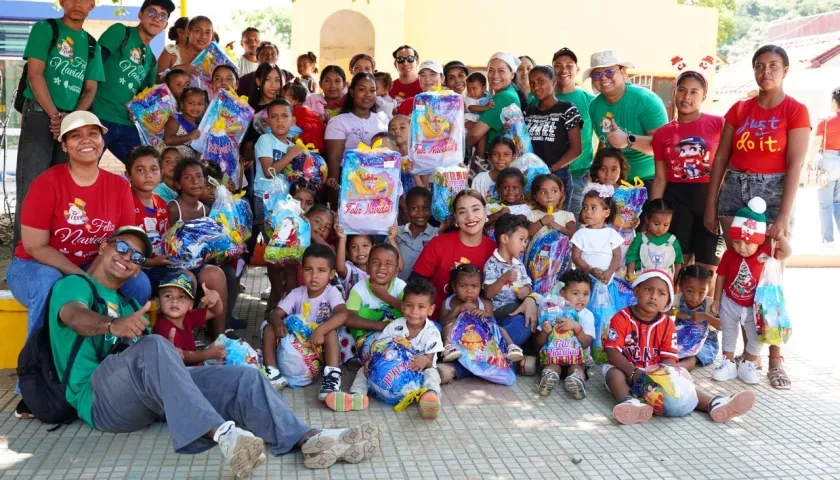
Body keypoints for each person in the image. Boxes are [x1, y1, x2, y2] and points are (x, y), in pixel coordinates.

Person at [42, 226, 382, 474]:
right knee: (154, 345)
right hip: (100, 401)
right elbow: (75, 317)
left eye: (136, 257)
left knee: (242, 378)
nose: (127, 259)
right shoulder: (75, 285)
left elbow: (162, 354)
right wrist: (112, 326)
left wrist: (209, 313)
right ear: (103, 247)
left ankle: (308, 439)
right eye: (121, 247)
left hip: (146, 399)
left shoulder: (130, 301)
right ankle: (225, 435)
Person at [7, 113, 149, 414]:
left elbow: (124, 243)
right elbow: (34, 246)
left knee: (139, 283)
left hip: (89, 267)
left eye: (93, 133)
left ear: (102, 140)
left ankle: (123, 359)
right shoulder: (48, 183)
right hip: (32, 267)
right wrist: (84, 280)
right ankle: (36, 382)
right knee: (50, 286)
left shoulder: (118, 187)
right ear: (65, 144)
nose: (86, 140)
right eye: (76, 135)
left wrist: (110, 273)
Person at [703, 46, 809, 390]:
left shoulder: (795, 110)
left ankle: (773, 357)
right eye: (760, 66)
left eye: (773, 66)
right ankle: (732, 355)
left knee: (770, 276)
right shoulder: (740, 108)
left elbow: (795, 164)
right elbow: (720, 158)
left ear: (785, 70)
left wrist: (784, 215)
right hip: (735, 186)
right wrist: (710, 202)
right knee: (736, 265)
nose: (766, 72)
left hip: (774, 190)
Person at [603, 270, 756, 425]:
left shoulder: (667, 323)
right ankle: (628, 403)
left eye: (661, 293)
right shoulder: (621, 317)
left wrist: (664, 378)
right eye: (648, 290)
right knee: (613, 374)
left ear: (668, 299)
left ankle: (714, 403)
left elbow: (668, 358)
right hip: (626, 369)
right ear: (636, 291)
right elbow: (612, 352)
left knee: (679, 387)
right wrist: (634, 372)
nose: (654, 296)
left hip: (654, 373)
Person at [13, 0, 105, 247]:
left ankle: (54, 251)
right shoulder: (46, 28)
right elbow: (35, 74)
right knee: (30, 188)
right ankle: (23, 256)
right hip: (39, 113)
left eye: (84, 0)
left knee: (64, 190)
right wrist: (56, 117)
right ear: (62, 2)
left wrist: (71, 120)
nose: (77, 4)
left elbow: (90, 88)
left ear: (92, 5)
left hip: (69, 123)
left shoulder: (91, 44)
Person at [411, 190, 538, 342]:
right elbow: (414, 285)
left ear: (486, 213)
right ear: (456, 219)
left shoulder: (497, 250)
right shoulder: (438, 244)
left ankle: (470, 357)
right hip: (443, 321)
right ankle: (487, 357)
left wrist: (530, 298)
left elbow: (518, 282)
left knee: (522, 323)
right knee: (431, 333)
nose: (470, 217)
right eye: (462, 212)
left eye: (476, 209)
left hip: (484, 322)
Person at [650, 70, 724, 274]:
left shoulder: (719, 124)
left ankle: (706, 307)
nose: (686, 97)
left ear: (704, 96)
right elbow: (660, 178)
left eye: (694, 92)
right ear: (674, 92)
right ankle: (676, 305)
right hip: (677, 199)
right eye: (682, 90)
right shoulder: (662, 133)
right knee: (679, 263)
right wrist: (652, 213)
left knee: (708, 267)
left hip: (710, 196)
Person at [711, 198, 791, 384]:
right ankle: (727, 363)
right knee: (729, 333)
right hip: (729, 302)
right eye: (737, 242)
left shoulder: (764, 254)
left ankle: (748, 364)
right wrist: (716, 300)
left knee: (756, 336)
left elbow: (787, 252)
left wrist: (779, 236)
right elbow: (721, 276)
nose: (742, 247)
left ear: (758, 241)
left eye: (748, 243)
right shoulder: (729, 254)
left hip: (754, 307)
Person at [339, 278, 443, 418]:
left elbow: (430, 362)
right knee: (363, 370)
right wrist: (371, 361)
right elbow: (380, 348)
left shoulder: (432, 332)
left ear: (431, 310)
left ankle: (430, 396)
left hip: (415, 374)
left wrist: (424, 360)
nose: (414, 311)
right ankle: (357, 395)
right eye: (409, 305)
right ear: (402, 306)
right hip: (387, 374)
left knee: (432, 373)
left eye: (421, 307)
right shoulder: (395, 326)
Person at [263, 244, 353, 399]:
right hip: (298, 345)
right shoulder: (297, 293)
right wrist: (279, 324)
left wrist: (321, 330)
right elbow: (273, 314)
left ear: (331, 274)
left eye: (321, 270)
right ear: (301, 271)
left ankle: (331, 378)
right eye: (308, 270)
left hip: (321, 346)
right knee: (268, 328)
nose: (314, 276)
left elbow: (343, 315)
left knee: (331, 332)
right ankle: (273, 372)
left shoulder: (331, 292)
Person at [94, 0, 174, 164]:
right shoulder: (120, 32)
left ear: (165, 25)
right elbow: (94, 65)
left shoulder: (151, 59)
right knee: (85, 166)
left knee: (146, 167)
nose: (156, 18)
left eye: (162, 16)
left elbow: (141, 98)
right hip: (99, 116)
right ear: (140, 15)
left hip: (126, 124)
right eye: (151, 12)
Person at [585, 51, 668, 185]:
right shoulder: (594, 106)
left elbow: (663, 147)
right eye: (597, 74)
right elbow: (605, 141)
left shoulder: (646, 100)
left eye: (609, 72)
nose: (604, 78)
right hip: (614, 183)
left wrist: (627, 140)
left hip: (649, 180)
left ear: (623, 72)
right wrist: (595, 171)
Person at [438, 263, 522, 363]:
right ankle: (448, 347)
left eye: (474, 286)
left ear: (480, 286)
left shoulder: (485, 303)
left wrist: (484, 314)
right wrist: (457, 310)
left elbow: (493, 322)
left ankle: (511, 346)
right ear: (454, 286)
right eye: (462, 286)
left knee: (500, 328)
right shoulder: (448, 302)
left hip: (481, 340)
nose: (469, 291)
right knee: (449, 326)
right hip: (460, 339)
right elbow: (442, 322)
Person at [533, 269, 594, 398]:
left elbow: (586, 343)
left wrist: (577, 328)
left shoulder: (587, 316)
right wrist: (545, 332)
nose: (581, 298)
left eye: (586, 294)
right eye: (575, 293)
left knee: (577, 368)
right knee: (552, 366)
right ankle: (548, 378)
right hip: (554, 357)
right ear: (562, 293)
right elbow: (538, 344)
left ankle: (576, 381)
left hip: (577, 359)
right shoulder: (551, 312)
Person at [324, 72, 389, 189]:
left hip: (380, 182)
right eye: (362, 89)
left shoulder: (383, 118)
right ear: (352, 92)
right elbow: (334, 159)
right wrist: (333, 194)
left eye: (372, 90)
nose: (368, 94)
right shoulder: (338, 121)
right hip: (350, 183)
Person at [466, 52, 527, 174]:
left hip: (494, 163)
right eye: (491, 70)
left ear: (512, 74)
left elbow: (475, 134)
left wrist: (465, 148)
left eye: (501, 71)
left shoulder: (503, 97)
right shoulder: (508, 93)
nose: (494, 75)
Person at [126, 146, 178, 289]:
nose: (148, 175)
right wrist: (151, 262)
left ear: (161, 173)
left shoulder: (161, 203)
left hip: (161, 264)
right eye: (140, 170)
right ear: (128, 175)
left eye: (154, 170)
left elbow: (165, 238)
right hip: (135, 268)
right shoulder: (125, 202)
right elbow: (121, 247)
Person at [524, 66, 583, 191]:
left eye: (541, 81)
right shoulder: (528, 112)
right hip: (532, 177)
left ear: (554, 81)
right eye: (532, 83)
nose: (536, 87)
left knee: (557, 212)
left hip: (558, 177)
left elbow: (576, 149)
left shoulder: (567, 109)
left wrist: (550, 169)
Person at [552, 48, 596, 213]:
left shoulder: (590, 101)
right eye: (558, 65)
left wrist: (596, 168)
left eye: (569, 65)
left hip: (578, 176)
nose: (563, 70)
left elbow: (604, 137)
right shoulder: (537, 98)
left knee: (573, 227)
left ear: (577, 70)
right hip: (546, 176)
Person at [150, 270, 227, 365]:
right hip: (180, 373)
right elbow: (182, 356)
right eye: (168, 296)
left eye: (182, 297)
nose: (174, 301)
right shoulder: (163, 326)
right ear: (158, 302)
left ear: (190, 304)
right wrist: (208, 354)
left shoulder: (187, 315)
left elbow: (215, 311)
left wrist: (216, 297)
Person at [481, 214, 533, 346]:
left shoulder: (518, 263)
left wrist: (526, 289)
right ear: (505, 238)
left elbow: (527, 282)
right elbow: (488, 293)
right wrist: (504, 278)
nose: (524, 245)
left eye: (526, 241)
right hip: (500, 309)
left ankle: (502, 344)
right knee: (526, 317)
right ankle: (501, 346)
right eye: (521, 239)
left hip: (514, 311)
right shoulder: (492, 263)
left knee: (527, 319)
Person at [571, 186, 624, 285]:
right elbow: (576, 257)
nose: (588, 211)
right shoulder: (580, 234)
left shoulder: (611, 233)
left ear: (606, 212)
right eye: (585, 207)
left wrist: (609, 272)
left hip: (607, 280)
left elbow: (617, 256)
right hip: (585, 281)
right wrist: (589, 270)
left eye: (593, 208)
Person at [673, 265, 720, 371]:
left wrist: (706, 317)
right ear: (681, 286)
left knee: (694, 356)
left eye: (701, 292)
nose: (695, 297)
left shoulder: (709, 304)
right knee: (668, 350)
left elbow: (724, 326)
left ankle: (678, 368)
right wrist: (676, 312)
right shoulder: (678, 299)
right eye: (689, 291)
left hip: (704, 343)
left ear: (708, 289)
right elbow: (659, 311)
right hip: (681, 338)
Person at [625, 199, 684, 279]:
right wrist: (630, 273)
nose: (660, 228)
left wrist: (677, 282)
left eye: (666, 225)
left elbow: (678, 262)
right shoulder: (640, 239)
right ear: (647, 219)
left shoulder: (673, 241)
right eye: (656, 224)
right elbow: (631, 257)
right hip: (643, 280)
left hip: (666, 283)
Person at [812, 87, 840, 246]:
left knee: (825, 204)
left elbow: (815, 146)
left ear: (835, 102)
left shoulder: (825, 121)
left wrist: (807, 163)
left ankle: (828, 240)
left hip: (828, 161)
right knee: (838, 203)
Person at [156, 16, 214, 86]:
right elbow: (155, 80)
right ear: (188, 32)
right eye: (198, 30)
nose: (203, 36)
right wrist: (175, 70)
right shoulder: (172, 52)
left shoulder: (213, 58)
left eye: (208, 32)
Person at [396, 187, 439, 280]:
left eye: (426, 208)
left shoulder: (437, 234)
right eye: (414, 208)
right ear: (406, 209)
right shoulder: (396, 232)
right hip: (395, 290)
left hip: (422, 292)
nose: (420, 213)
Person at [162, 87, 207, 160]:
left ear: (205, 106)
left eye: (200, 104)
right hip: (170, 160)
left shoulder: (200, 126)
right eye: (190, 103)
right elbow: (168, 140)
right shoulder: (175, 119)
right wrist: (189, 137)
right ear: (182, 104)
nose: (195, 106)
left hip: (187, 164)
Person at [527, 173, 576, 238]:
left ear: (561, 194)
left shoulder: (567, 216)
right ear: (535, 197)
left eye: (554, 191)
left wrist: (559, 227)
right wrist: (542, 222)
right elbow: (527, 234)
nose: (549, 196)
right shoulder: (532, 215)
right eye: (543, 192)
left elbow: (573, 236)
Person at [472, 137, 517, 202]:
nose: (501, 158)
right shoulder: (480, 180)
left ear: (513, 156)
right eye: (495, 154)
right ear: (489, 157)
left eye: (506, 154)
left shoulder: (518, 179)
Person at [464, 72, 493, 160]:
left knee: (481, 137)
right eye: (469, 89)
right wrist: (486, 107)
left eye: (474, 89)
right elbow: (472, 108)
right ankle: (479, 155)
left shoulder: (487, 95)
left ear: (484, 88)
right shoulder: (469, 99)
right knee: (479, 131)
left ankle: (478, 157)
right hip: (468, 120)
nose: (471, 92)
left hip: (478, 120)